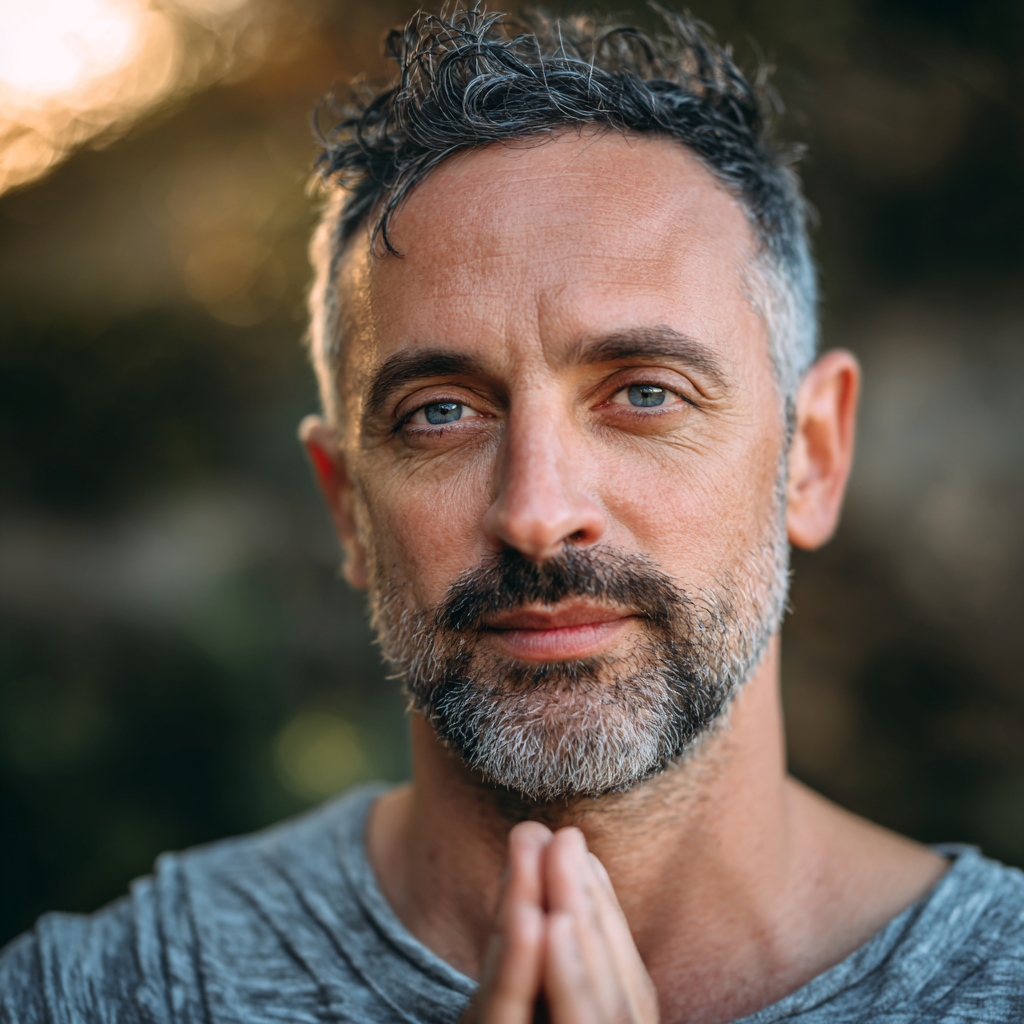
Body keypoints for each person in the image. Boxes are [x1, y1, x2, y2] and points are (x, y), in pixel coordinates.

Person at [2, 6, 1023, 1023]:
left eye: (644, 393)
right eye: (439, 412)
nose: (537, 514)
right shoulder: (105, 995)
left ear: (813, 456)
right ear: (346, 506)